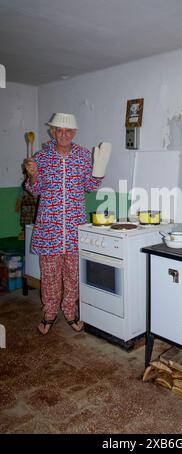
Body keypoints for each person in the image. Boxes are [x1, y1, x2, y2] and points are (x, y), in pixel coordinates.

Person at [25, 113, 112, 335]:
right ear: (53, 132)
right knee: (50, 276)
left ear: (74, 133)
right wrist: (33, 175)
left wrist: (100, 167)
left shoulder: (83, 156)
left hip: (74, 228)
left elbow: (90, 186)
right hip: (49, 228)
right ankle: (49, 314)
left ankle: (70, 312)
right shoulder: (41, 157)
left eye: (68, 131)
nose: (64, 134)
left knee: (73, 275)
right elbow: (34, 189)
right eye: (59, 130)